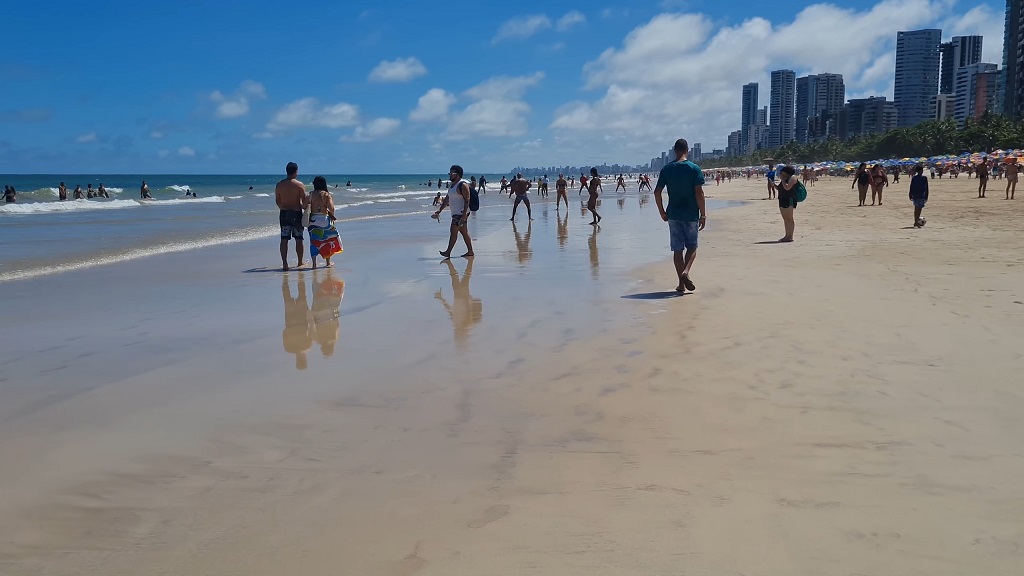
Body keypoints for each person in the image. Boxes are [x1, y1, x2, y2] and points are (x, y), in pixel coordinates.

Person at [654, 139, 706, 292]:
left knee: (677, 249)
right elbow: (699, 192)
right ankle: (686, 271)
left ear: (674, 150)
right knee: (692, 246)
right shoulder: (694, 168)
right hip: (690, 213)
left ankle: (681, 284)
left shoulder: (667, 169)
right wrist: (703, 214)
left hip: (673, 214)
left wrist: (662, 211)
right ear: (687, 150)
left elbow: (657, 192)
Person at [433, 164, 474, 259]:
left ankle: (448, 252)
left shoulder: (462, 185)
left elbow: (467, 200)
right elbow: (447, 199)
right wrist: (439, 210)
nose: (450, 175)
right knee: (464, 232)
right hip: (456, 213)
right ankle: (470, 251)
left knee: (453, 232)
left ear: (458, 174)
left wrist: (464, 215)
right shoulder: (452, 186)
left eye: (452, 173)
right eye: (449, 173)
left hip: (460, 213)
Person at [275, 161, 308, 270]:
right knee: (299, 239)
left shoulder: (279, 184)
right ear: (296, 171)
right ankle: (300, 262)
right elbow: (303, 203)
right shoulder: (299, 185)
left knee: (284, 239)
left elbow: (278, 201)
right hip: (296, 214)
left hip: (284, 214)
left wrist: (283, 208)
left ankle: (285, 264)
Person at [307, 175, 342, 269]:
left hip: (313, 220)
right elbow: (332, 208)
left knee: (314, 241)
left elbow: (304, 206)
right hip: (324, 219)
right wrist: (331, 216)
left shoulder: (311, 194)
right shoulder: (326, 195)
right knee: (327, 240)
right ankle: (327, 262)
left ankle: (314, 264)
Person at [281, 274, 313, 370]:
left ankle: (299, 277)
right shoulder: (289, 349)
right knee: (287, 297)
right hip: (291, 323)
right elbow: (284, 334)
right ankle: (285, 279)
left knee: (302, 295)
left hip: (300, 321)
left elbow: (311, 330)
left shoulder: (307, 346)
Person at [776, 165, 799, 242]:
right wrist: (774, 185)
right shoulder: (784, 178)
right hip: (782, 199)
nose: (781, 173)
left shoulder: (793, 177)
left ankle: (790, 236)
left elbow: (787, 188)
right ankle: (787, 235)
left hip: (789, 199)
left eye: (782, 172)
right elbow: (780, 188)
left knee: (789, 218)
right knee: (785, 219)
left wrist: (782, 180)